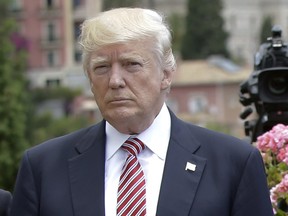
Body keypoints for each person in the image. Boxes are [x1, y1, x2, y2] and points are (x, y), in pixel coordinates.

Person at [10, 7, 273, 216]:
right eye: (102, 67)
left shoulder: (233, 164)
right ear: (89, 78)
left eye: (131, 64)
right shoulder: (43, 168)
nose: (115, 80)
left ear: (166, 74)